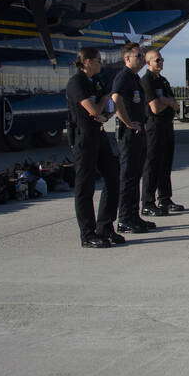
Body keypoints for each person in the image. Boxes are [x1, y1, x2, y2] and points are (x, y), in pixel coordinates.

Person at [66, 47, 121, 248]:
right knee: (85, 186)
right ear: (87, 61)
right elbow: (93, 110)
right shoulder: (77, 83)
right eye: (98, 60)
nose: (101, 63)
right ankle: (87, 234)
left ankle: (105, 226)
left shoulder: (96, 81)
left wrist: (104, 109)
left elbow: (106, 112)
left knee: (113, 176)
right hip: (83, 137)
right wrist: (105, 100)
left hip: (98, 133)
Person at [111, 42, 154, 234]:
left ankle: (134, 216)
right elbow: (115, 99)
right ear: (126, 58)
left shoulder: (134, 78)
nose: (142, 59)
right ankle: (125, 219)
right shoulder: (123, 77)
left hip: (139, 133)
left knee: (136, 175)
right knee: (128, 177)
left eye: (142, 55)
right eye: (138, 56)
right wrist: (128, 122)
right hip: (128, 135)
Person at [140, 48, 184, 216]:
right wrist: (167, 101)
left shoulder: (163, 81)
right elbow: (155, 108)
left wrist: (166, 100)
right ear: (148, 62)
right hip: (154, 127)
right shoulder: (146, 81)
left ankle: (165, 198)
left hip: (167, 125)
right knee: (152, 165)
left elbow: (176, 104)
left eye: (162, 59)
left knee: (166, 163)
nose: (161, 62)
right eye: (157, 60)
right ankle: (148, 202)